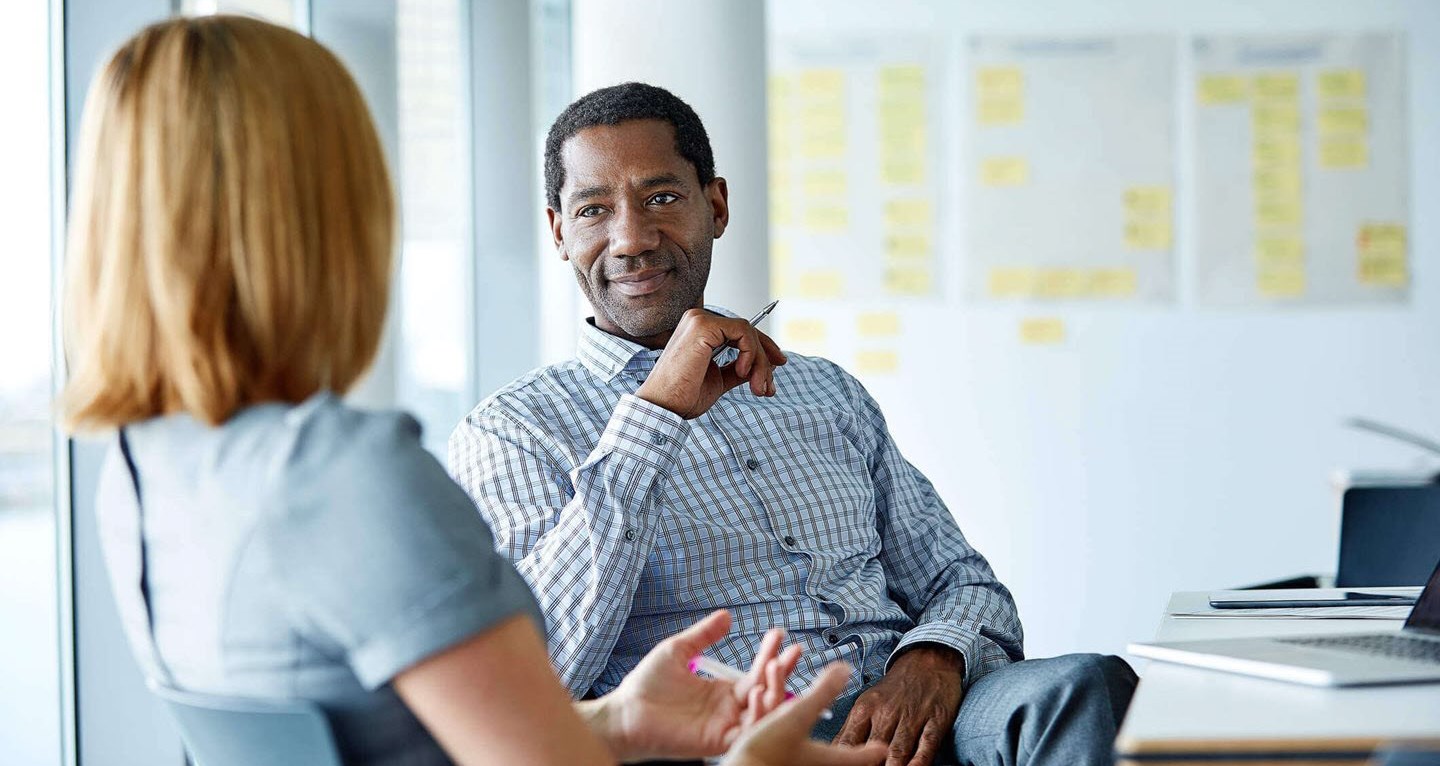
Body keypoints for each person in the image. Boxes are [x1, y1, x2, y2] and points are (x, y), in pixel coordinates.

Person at [60, 16, 884, 766]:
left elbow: (394, 745)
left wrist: (619, 723)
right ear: (324, 211)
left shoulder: (145, 471)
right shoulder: (346, 476)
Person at [448, 81, 1138, 766]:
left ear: (715, 206)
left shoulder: (824, 391)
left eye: (662, 198)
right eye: (594, 210)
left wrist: (931, 660)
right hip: (738, 744)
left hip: (920, 724)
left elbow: (965, 582)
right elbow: (543, 675)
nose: (631, 237)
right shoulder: (511, 433)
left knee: (1080, 689)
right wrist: (651, 418)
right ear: (559, 232)